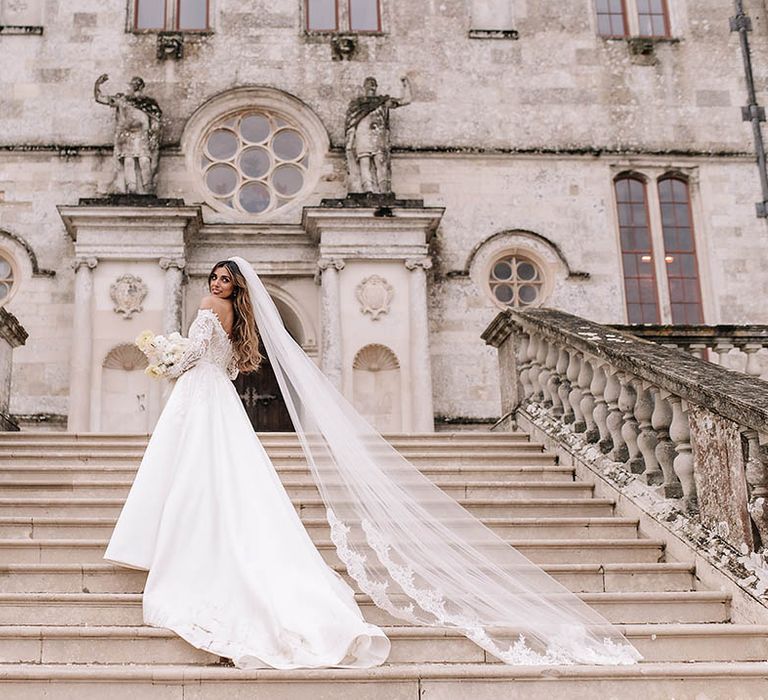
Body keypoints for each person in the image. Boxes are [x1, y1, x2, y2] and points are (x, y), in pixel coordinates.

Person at [105, 256, 642, 668]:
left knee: (196, 472)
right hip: (215, 396)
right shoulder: (239, 319)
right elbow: (222, 359)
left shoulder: (206, 312)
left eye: (224, 277)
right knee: (217, 474)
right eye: (215, 277)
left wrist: (166, 356)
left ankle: (173, 541)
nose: (216, 283)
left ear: (235, 285)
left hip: (200, 394)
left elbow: (197, 356)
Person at [94, 74, 162, 195]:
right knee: (129, 161)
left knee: (144, 160)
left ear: (141, 86)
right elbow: (99, 98)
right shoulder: (123, 99)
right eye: (132, 84)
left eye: (136, 84)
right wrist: (97, 84)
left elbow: (156, 120)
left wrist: (154, 135)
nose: (133, 86)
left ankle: (147, 188)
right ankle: (131, 188)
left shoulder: (149, 102)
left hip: (143, 134)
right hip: (127, 135)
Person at [344, 76, 411, 193]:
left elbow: (406, 100)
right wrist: (350, 140)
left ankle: (384, 191)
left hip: (377, 135)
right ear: (364, 86)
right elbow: (351, 123)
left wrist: (406, 85)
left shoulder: (383, 102)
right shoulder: (357, 104)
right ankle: (367, 190)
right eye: (369, 84)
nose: (372, 86)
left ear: (376, 87)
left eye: (374, 84)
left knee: (380, 161)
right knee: (364, 162)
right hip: (362, 135)